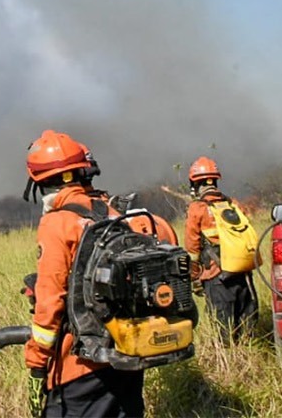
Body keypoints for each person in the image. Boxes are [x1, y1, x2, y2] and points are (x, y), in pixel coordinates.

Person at [21, 129, 177, 418]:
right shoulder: (117, 214)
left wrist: (37, 364)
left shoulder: (58, 223)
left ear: (41, 183)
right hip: (127, 352)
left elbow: (50, 304)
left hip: (78, 366)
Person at [184, 156, 257, 343]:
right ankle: (247, 351)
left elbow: (192, 247)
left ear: (195, 183)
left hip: (216, 274)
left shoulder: (197, 208)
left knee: (223, 324)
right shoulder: (233, 203)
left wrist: (195, 278)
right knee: (246, 317)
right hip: (243, 270)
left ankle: (228, 362)